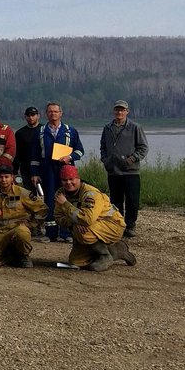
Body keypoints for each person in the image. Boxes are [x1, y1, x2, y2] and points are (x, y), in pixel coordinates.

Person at [53, 165, 137, 271]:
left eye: (71, 179)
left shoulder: (90, 194)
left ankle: (104, 255)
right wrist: (74, 222)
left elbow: (87, 219)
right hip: (85, 226)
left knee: (84, 232)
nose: (68, 183)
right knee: (75, 262)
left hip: (112, 224)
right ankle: (116, 250)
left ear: (78, 178)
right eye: (65, 180)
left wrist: (66, 204)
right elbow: (58, 217)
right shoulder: (60, 194)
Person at [30, 102, 84, 242]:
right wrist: (34, 173)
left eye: (55, 111)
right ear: (46, 114)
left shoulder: (70, 131)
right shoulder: (41, 132)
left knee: (67, 199)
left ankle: (66, 233)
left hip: (65, 170)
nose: (53, 114)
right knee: (49, 200)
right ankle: (50, 233)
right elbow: (35, 156)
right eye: (50, 111)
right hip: (47, 171)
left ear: (61, 113)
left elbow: (79, 150)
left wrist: (70, 157)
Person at [0, 165, 47, 268]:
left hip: (18, 227)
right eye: (0, 177)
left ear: (12, 178)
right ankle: (9, 255)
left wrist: (32, 225)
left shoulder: (22, 193)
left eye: (6, 177)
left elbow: (42, 209)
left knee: (22, 233)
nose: (3, 180)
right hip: (0, 230)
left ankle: (23, 255)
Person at [100, 100, 148, 238]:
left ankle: (130, 225)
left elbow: (143, 148)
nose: (119, 112)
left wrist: (132, 159)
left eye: (122, 110)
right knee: (115, 201)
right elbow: (103, 146)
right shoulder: (107, 128)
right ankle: (118, 225)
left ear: (127, 111)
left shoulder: (135, 127)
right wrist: (105, 160)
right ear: (114, 111)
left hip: (131, 171)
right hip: (113, 171)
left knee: (132, 200)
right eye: (117, 110)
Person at [13, 107, 41, 192]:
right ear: (25, 117)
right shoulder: (20, 133)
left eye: (33, 115)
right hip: (26, 169)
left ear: (38, 116)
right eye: (28, 115)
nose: (31, 117)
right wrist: (14, 171)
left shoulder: (44, 130)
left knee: (46, 195)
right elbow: (17, 154)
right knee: (29, 196)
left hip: (43, 167)